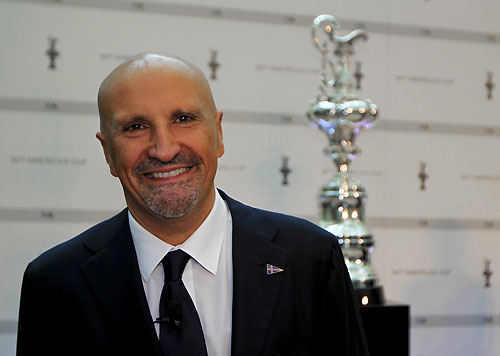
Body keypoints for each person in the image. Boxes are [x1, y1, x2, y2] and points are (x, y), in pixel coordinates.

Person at [17, 53, 369, 356]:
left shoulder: (309, 258)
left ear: (218, 134)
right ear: (108, 152)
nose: (164, 149)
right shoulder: (55, 284)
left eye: (183, 119)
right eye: (135, 126)